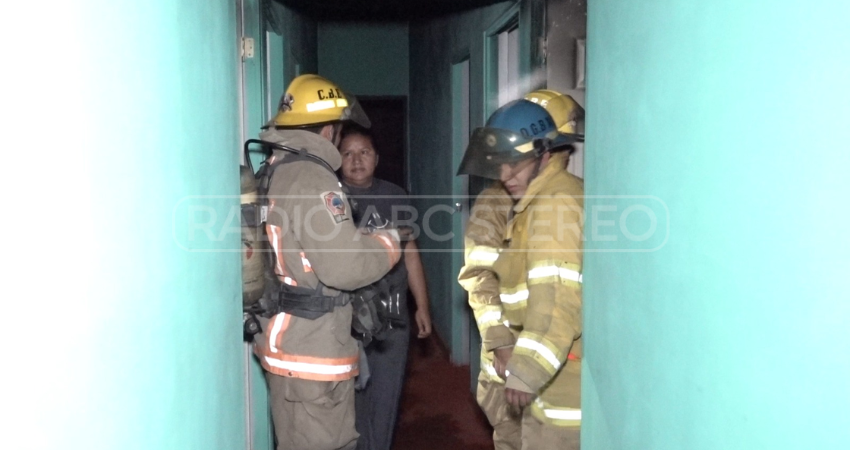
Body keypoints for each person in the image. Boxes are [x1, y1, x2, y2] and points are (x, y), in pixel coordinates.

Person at [251, 74, 403, 450]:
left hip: (288, 339)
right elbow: (345, 268)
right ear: (329, 130)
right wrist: (389, 242)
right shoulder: (312, 178)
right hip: (312, 351)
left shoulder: (274, 169)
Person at [457, 95, 585, 449]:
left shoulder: (555, 200)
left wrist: (528, 366)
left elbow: (557, 295)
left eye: (514, 163)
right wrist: (500, 341)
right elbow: (480, 275)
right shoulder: (506, 202)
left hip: (543, 363)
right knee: (512, 436)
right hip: (515, 359)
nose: (505, 175)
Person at [338, 125, 433, 450]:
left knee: (386, 395)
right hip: (346, 318)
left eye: (364, 152)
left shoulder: (395, 196)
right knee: (351, 398)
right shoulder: (331, 200)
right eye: (347, 153)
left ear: (376, 158)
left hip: (392, 315)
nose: (356, 160)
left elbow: (410, 252)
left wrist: (422, 306)